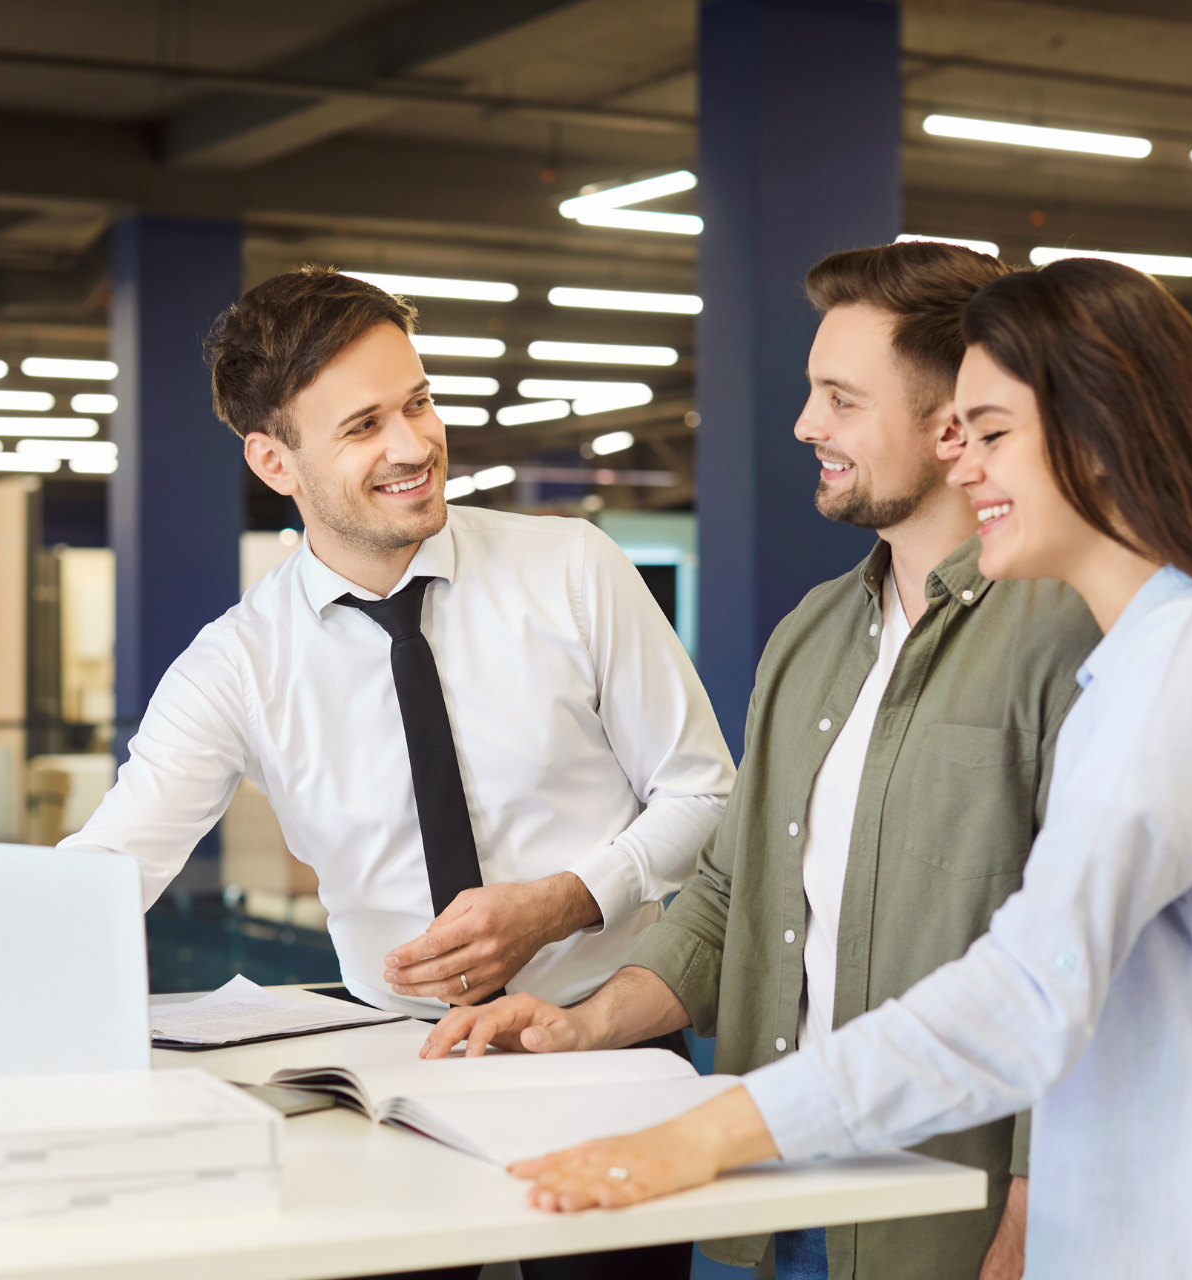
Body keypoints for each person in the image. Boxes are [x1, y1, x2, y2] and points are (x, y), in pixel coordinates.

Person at [471, 258, 1192, 1279]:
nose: (967, 465)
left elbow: (1028, 990)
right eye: (963, 433)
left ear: (1103, 439)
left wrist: (703, 1134)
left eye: (994, 433)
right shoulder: (1160, 654)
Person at [424, 240, 1103, 1279]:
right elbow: (729, 897)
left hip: (950, 1214)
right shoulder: (811, 637)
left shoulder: (1065, 632)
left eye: (841, 398)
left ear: (949, 422)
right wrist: (581, 1021)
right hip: (768, 1198)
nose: (806, 425)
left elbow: (1085, 965)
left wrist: (1036, 1214)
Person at [61, 266, 735, 1280]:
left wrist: (563, 901)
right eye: (364, 424)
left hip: (599, 1044)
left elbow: (705, 793)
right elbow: (109, 866)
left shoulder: (573, 569)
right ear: (274, 459)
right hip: (390, 1074)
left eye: (418, 401)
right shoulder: (237, 662)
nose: (415, 445)